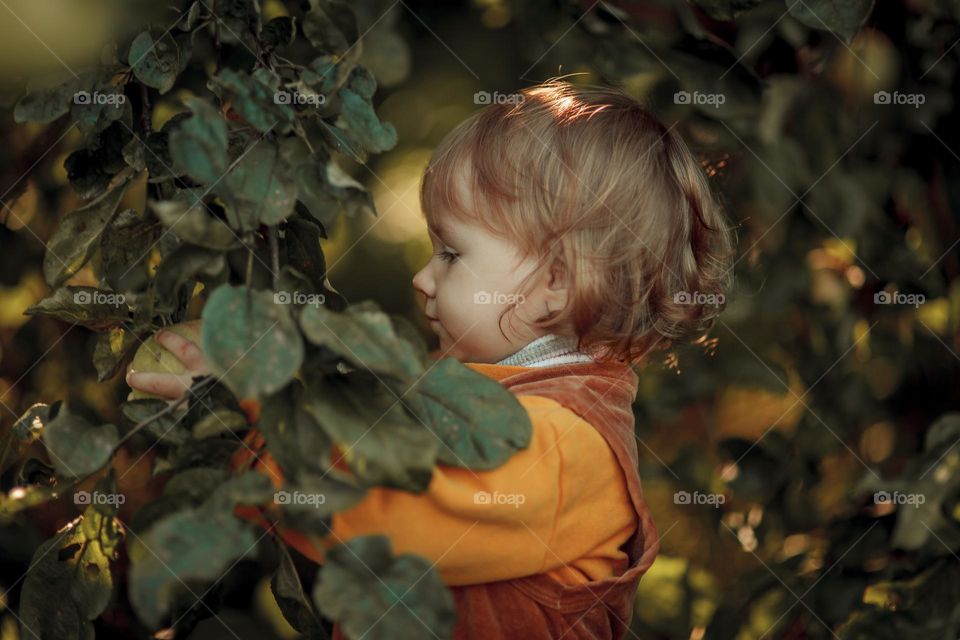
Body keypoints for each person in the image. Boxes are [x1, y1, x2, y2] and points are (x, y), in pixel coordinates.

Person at [127, 78, 735, 639]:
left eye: (450, 252)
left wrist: (247, 406)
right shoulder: (485, 398)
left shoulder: (566, 445)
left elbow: (385, 523)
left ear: (555, 282)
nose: (423, 278)